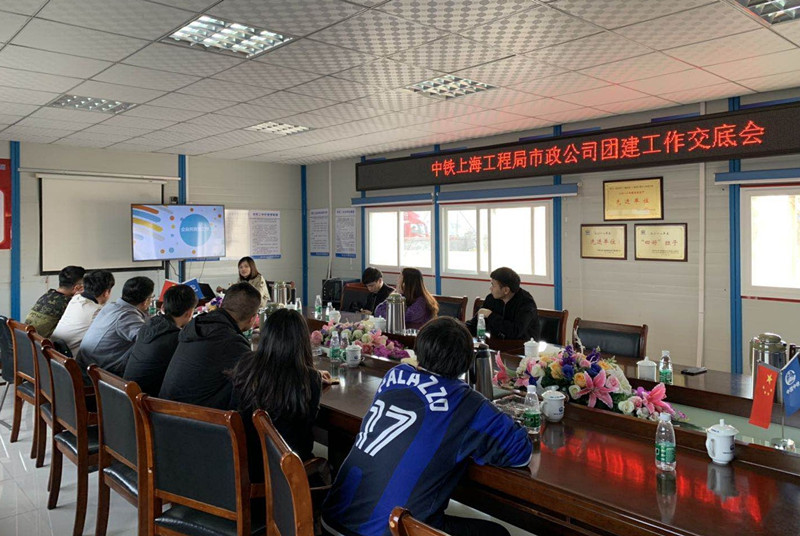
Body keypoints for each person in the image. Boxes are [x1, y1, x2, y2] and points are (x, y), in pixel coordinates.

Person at [322, 317, 532, 536]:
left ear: (418, 351)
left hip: (330, 521)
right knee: (496, 533)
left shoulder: (396, 374)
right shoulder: (466, 403)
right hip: (385, 531)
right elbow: (521, 452)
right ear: (467, 361)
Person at [230, 308, 332, 482]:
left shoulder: (245, 366)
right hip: (289, 474)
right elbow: (306, 430)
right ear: (302, 341)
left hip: (246, 469)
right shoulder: (309, 379)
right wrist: (311, 377)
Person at [159, 282, 260, 409]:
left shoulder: (196, 325)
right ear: (252, 319)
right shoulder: (232, 342)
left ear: (222, 305)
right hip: (194, 418)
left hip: (162, 412)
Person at [123, 285, 198, 397]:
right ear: (189, 313)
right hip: (146, 401)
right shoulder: (175, 338)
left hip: (127, 394)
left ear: (163, 306)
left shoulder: (149, 324)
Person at [78, 276, 154, 378]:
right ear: (146, 301)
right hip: (98, 375)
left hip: (87, 366)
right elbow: (149, 340)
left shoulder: (112, 306)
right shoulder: (126, 316)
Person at [51, 270, 115, 356]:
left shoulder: (75, 299)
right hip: (71, 359)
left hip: (55, 353)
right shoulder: (97, 311)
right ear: (106, 292)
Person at [466, 267, 540, 341]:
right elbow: (473, 325)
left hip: (522, 345)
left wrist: (490, 315)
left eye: (493, 285)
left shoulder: (526, 303)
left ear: (506, 290)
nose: (490, 288)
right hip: (496, 344)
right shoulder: (491, 299)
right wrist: (461, 329)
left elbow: (515, 331)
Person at [24, 265, 85, 338]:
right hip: (43, 343)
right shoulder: (68, 303)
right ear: (77, 288)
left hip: (27, 339)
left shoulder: (48, 294)